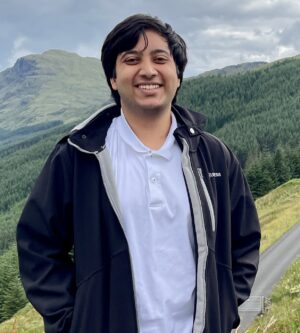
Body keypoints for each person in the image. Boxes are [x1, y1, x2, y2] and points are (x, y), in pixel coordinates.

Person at [17, 14, 261, 333]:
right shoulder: (79, 156)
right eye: (131, 59)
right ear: (113, 79)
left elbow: (245, 240)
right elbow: (38, 244)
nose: (148, 70)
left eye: (160, 58)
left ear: (177, 75)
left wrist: (225, 306)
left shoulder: (214, 156)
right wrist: (73, 323)